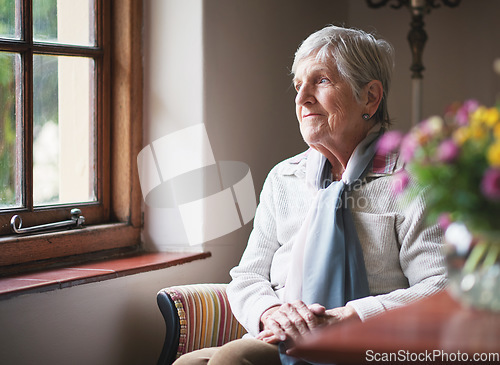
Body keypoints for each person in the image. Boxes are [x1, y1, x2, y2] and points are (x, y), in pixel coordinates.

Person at [173, 25, 447, 365]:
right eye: (299, 85)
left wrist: (346, 318)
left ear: (370, 97)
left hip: (368, 341)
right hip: (283, 335)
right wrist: (272, 312)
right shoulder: (283, 178)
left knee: (236, 356)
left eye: (322, 81)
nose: (302, 98)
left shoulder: (413, 179)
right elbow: (248, 275)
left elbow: (439, 287)